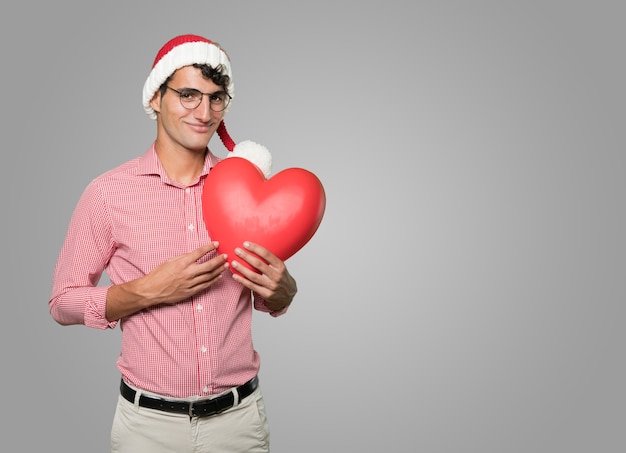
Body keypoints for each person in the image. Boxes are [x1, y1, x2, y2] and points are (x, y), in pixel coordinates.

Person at [49, 34, 297, 453]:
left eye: (216, 98)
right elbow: (61, 302)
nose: (204, 112)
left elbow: (266, 296)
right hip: (147, 430)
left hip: (238, 425)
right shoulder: (108, 194)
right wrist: (146, 291)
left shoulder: (245, 191)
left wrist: (284, 292)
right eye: (188, 95)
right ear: (156, 98)